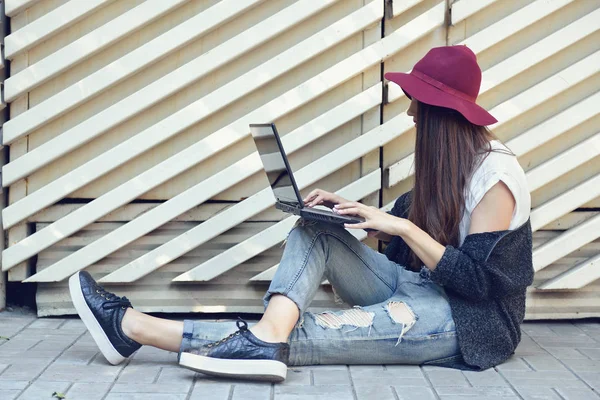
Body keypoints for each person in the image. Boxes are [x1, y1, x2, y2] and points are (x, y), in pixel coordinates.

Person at [68, 45, 534, 383]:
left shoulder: (496, 177)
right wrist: (348, 214)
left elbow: (479, 283)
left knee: (307, 333)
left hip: (466, 322)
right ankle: (267, 336)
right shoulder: (448, 166)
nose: (409, 111)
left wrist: (403, 226)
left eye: (416, 101)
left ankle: (134, 328)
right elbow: (399, 240)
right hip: (419, 289)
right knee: (313, 232)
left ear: (440, 112)